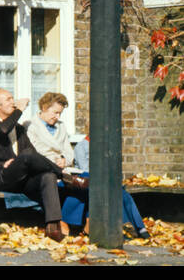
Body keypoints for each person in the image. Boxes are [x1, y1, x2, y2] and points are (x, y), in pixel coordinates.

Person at [26, 92, 148, 239]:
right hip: (45, 173)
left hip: (65, 169)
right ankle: (134, 226)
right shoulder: (31, 126)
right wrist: (55, 160)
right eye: (55, 112)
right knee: (97, 182)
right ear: (45, 108)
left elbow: (68, 152)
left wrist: (64, 158)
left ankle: (89, 223)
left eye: (60, 113)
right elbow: (35, 151)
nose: (57, 117)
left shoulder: (61, 126)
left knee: (106, 183)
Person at [0, 88, 65, 242]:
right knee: (27, 156)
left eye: (13, 98)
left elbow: (31, 152)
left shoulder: (18, 128)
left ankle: (53, 227)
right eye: (8, 99)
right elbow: (3, 130)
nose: (13, 102)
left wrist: (20, 163)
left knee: (48, 175)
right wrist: (19, 110)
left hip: (19, 179)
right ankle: (65, 176)